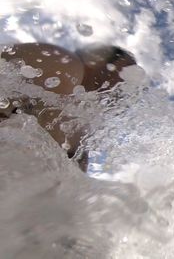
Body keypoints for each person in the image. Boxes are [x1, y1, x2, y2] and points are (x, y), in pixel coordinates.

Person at [0, 42, 137, 172]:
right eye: (127, 69)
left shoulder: (80, 126)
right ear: (97, 60)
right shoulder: (66, 65)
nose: (129, 80)